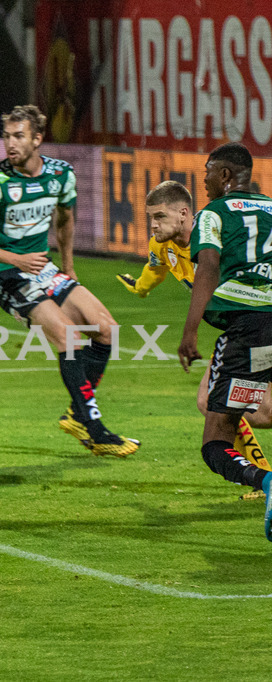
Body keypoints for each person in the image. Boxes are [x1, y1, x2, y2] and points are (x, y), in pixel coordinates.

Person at [0, 104, 138, 457]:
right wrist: (16, 258)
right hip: (8, 276)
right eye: (6, 136)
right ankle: (96, 430)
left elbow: (66, 218)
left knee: (106, 328)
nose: (10, 144)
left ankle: (76, 413)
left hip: (43, 270)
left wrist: (68, 267)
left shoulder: (60, 174)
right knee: (68, 336)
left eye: (19, 136)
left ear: (38, 138)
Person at [117, 181, 271, 491]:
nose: (153, 225)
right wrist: (140, 287)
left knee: (227, 409)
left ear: (185, 214)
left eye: (159, 216)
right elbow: (155, 268)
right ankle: (261, 475)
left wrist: (192, 330)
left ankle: (261, 477)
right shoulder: (162, 245)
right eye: (151, 217)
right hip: (242, 332)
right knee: (224, 406)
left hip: (255, 325)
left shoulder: (219, 235)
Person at [176, 142, 272, 540]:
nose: (205, 183)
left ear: (227, 176)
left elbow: (209, 265)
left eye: (208, 174)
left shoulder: (213, 214)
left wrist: (190, 329)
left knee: (216, 439)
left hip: (250, 331)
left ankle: (265, 482)